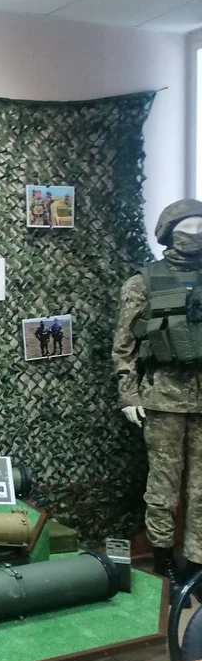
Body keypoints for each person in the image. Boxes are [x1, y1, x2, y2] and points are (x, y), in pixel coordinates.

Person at [114, 199, 202, 601]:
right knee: (163, 486)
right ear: (169, 233)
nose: (196, 236)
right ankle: (163, 559)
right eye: (187, 229)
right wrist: (128, 393)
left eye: (201, 228)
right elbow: (124, 346)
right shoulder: (144, 282)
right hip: (162, 399)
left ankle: (197, 565)